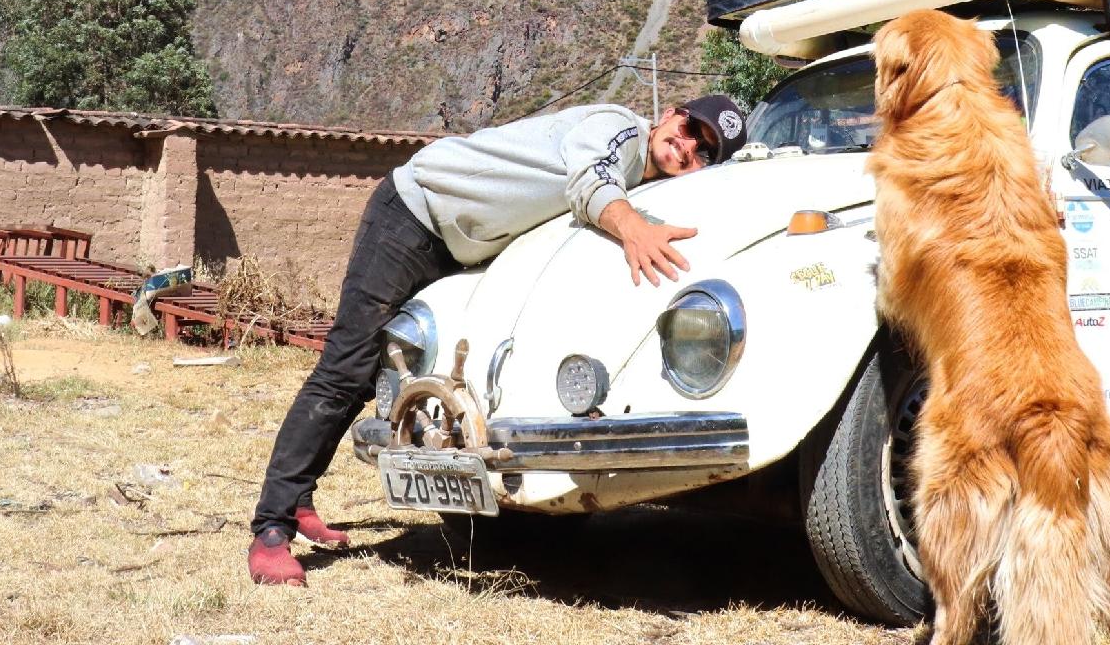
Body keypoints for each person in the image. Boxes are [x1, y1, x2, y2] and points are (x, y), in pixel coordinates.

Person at [247, 94, 749, 586]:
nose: (686, 147)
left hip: (460, 245)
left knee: (369, 371)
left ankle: (298, 498)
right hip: (416, 213)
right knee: (345, 370)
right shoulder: (618, 129)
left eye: (702, 150)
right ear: (668, 115)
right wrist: (636, 229)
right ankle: (272, 528)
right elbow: (590, 181)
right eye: (688, 129)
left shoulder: (645, 187)